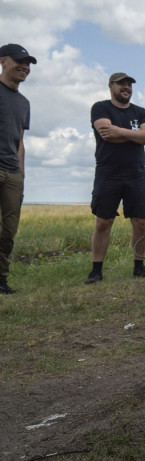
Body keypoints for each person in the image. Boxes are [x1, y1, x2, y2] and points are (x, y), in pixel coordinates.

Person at [86, 72, 145, 284]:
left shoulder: (141, 112)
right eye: (121, 84)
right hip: (108, 174)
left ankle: (139, 267)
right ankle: (96, 271)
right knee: (103, 222)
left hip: (137, 174)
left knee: (140, 222)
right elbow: (107, 134)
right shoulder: (101, 108)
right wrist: (135, 136)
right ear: (111, 86)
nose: (126, 87)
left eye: (129, 84)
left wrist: (120, 131)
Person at [0, 43, 36, 295]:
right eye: (19, 61)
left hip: (13, 172)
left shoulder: (24, 103)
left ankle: (1, 279)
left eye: (28, 63)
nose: (25, 66)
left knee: (9, 231)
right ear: (3, 61)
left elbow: (20, 141)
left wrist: (21, 174)